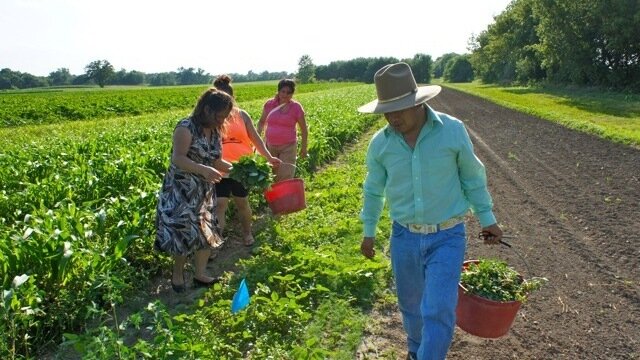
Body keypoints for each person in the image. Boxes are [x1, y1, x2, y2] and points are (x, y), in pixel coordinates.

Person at [358, 62, 504, 360]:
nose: (392, 117)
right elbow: (373, 191)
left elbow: (472, 178)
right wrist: (369, 232)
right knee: (411, 307)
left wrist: (488, 219)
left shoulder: (451, 131)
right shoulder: (381, 144)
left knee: (437, 308)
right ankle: (415, 350)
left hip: (447, 236)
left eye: (399, 109)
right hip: (404, 237)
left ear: (418, 104)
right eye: (387, 110)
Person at [155, 88, 234, 293]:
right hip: (181, 190)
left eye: (224, 117)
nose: (222, 121)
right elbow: (178, 158)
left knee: (206, 230)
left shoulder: (215, 130)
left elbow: (216, 159)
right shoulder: (185, 128)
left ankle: (200, 274)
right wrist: (203, 169)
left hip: (204, 189)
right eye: (219, 116)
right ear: (207, 109)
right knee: (182, 233)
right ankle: (178, 274)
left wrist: (237, 169)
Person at [212, 75, 281, 246]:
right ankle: (216, 241)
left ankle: (247, 233)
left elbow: (256, 138)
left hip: (241, 168)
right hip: (218, 167)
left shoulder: (242, 116)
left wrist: (269, 157)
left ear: (231, 98)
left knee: (242, 202)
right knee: (220, 205)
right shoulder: (211, 118)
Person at [256, 79, 308, 182]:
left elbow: (304, 129)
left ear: (292, 93)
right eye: (283, 91)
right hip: (270, 146)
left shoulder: (296, 107)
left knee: (285, 174)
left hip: (288, 146)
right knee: (270, 174)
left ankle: (284, 196)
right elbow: (261, 122)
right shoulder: (269, 104)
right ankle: (272, 196)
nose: (285, 95)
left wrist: (304, 147)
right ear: (278, 91)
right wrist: (257, 140)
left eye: (289, 92)